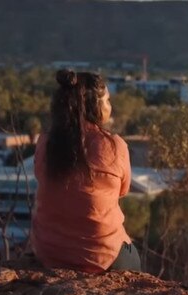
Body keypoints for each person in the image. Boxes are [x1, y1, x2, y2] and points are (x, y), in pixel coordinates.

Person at [31, 69, 141, 272]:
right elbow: (122, 191)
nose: (110, 107)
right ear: (94, 106)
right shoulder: (114, 146)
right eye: (107, 101)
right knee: (133, 258)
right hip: (101, 256)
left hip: (49, 252)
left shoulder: (45, 142)